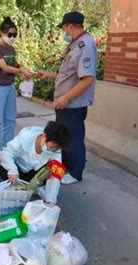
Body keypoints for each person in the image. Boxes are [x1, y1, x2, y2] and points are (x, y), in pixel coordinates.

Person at [37, 11, 97, 185]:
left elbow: (87, 79)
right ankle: (67, 167)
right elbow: (68, 74)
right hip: (66, 104)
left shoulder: (85, 46)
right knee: (65, 137)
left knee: (74, 138)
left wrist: (66, 98)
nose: (64, 32)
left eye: (64, 28)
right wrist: (48, 74)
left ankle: (76, 173)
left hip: (73, 104)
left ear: (70, 26)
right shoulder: (74, 44)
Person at [0, 121, 70, 203]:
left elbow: (55, 175)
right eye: (50, 147)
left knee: (52, 170)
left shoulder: (56, 149)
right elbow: (6, 153)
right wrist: (12, 170)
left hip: (32, 173)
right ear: (44, 136)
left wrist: (50, 200)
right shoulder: (26, 136)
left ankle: (35, 189)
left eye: (55, 149)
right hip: (17, 170)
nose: (51, 151)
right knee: (4, 171)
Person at [0, 17, 33, 157]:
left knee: (10, 119)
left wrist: (24, 73)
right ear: (1, 33)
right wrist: (21, 71)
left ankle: (7, 145)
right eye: (10, 34)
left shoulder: (11, 49)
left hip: (10, 86)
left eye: (15, 35)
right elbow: (4, 67)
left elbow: (14, 65)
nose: (12, 37)